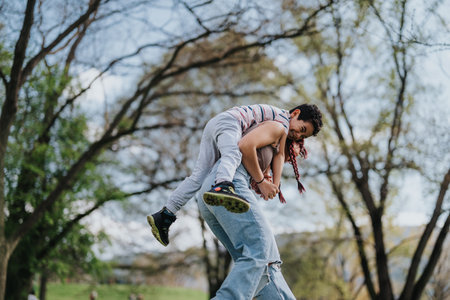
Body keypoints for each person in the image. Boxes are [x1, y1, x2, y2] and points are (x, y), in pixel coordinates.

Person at [147, 104, 322, 246]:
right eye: (301, 128)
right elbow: (272, 152)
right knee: (233, 153)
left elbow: (279, 154)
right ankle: (222, 185)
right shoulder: (282, 121)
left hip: (214, 126)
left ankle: (166, 214)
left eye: (302, 135)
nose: (297, 135)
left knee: (198, 177)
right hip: (231, 122)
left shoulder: (283, 127)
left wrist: (274, 185)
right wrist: (264, 181)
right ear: (295, 113)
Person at [197, 123, 321, 299]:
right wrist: (262, 181)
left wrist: (268, 179)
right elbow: (246, 146)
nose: (288, 160)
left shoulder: (267, 151)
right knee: (262, 248)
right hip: (227, 185)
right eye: (290, 156)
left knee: (262, 264)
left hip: (208, 192)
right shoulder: (276, 128)